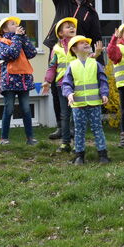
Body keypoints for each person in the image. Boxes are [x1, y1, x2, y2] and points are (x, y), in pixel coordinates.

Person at [42, 0, 103, 140]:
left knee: (73, 89)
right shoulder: (63, 2)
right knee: (55, 89)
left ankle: (75, 129)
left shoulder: (91, 14)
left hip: (78, 57)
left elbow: (96, 38)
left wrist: (97, 57)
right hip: (57, 50)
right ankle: (61, 127)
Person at [61, 36, 110, 165]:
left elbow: (103, 80)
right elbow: (66, 84)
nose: (86, 44)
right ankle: (79, 156)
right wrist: (69, 94)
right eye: (82, 43)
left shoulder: (96, 64)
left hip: (94, 103)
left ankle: (103, 155)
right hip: (78, 105)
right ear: (74, 49)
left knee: (97, 128)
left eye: (87, 42)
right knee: (79, 130)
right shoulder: (72, 66)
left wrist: (104, 93)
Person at [0, 17, 38, 146]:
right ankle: (4, 138)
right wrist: (17, 38)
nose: (17, 25)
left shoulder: (19, 39)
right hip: (9, 81)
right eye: (13, 24)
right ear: (4, 29)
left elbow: (32, 52)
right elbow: (12, 54)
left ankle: (30, 138)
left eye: (17, 24)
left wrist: (23, 38)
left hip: (24, 80)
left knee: (26, 109)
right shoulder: (1, 42)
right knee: (9, 109)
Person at [41, 18, 78, 153]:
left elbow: (87, 58)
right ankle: (65, 143)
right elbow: (52, 66)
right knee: (65, 114)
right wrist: (47, 81)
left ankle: (78, 144)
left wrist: (95, 54)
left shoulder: (79, 44)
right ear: (60, 33)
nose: (72, 28)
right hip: (62, 85)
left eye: (73, 26)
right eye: (68, 27)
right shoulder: (56, 48)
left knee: (76, 114)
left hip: (78, 84)